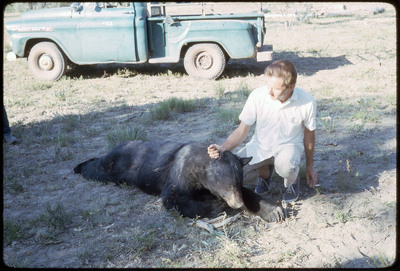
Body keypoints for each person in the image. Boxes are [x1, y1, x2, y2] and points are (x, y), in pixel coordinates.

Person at [208, 60, 317, 203]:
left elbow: (310, 135)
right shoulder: (258, 95)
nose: (269, 92)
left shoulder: (307, 102)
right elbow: (242, 130)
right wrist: (223, 148)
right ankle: (264, 173)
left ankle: (292, 181)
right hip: (260, 147)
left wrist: (309, 166)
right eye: (268, 86)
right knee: (232, 174)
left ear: (291, 87)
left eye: (276, 89)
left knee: (286, 166)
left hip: (288, 147)